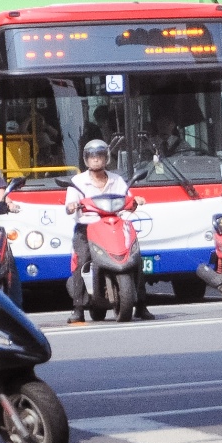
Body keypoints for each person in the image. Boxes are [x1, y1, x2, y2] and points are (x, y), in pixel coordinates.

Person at [63, 139, 153, 325]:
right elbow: (69, 206)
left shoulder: (117, 180)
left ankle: (142, 305)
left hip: (115, 224)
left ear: (107, 158)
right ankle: (78, 309)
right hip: (87, 227)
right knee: (81, 261)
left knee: (135, 257)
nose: (96, 160)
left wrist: (136, 201)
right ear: (86, 160)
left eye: (100, 156)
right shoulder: (77, 182)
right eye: (92, 156)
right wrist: (72, 205)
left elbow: (128, 200)